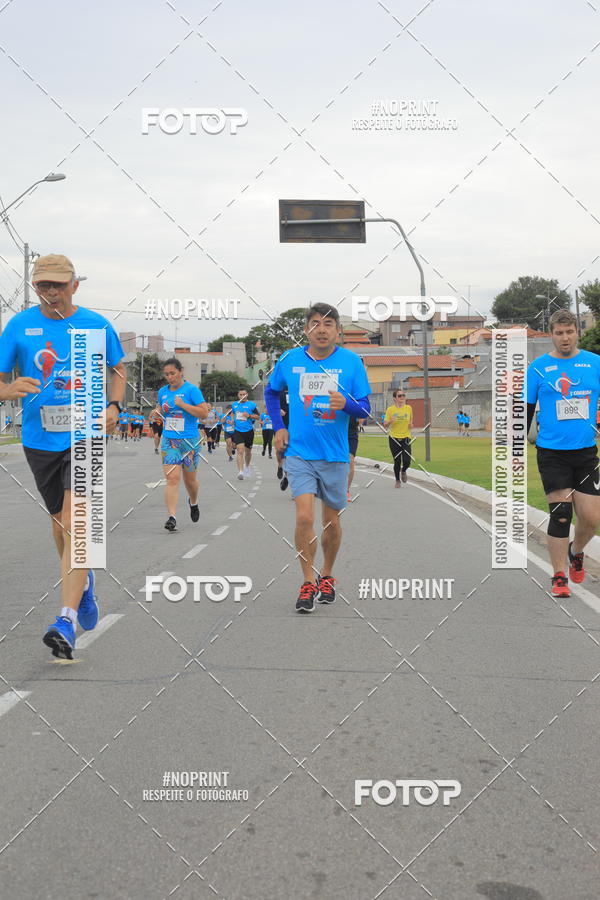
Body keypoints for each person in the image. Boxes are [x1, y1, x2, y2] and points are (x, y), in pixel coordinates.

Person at [0, 253, 125, 659]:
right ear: (35, 287)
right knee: (59, 526)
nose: (51, 291)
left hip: (86, 434)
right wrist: (6, 389)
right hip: (39, 439)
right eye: (43, 285)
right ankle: (84, 583)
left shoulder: (95, 324)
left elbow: (118, 370)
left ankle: (66, 619)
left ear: (75, 285)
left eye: (58, 284)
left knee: (75, 522)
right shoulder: (18, 327)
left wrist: (113, 407)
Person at [265, 303, 371, 613]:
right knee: (303, 517)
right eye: (315, 323)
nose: (321, 329)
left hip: (335, 455)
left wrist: (347, 404)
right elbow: (272, 393)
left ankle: (327, 575)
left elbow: (365, 409)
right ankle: (307, 582)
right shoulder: (290, 359)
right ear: (306, 329)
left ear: (338, 331)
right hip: (299, 452)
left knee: (331, 523)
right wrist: (279, 427)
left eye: (328, 324)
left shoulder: (351, 363)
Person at [526, 309, 600, 598]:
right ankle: (558, 576)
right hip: (551, 452)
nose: (565, 337)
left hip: (585, 453)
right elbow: (525, 411)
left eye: (569, 332)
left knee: (591, 518)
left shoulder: (594, 363)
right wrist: (515, 443)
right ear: (551, 335)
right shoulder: (538, 368)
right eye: (559, 332)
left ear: (576, 333)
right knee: (560, 515)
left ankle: (576, 551)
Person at [155, 358, 208, 531]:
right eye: (167, 374)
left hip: (189, 441)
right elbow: (161, 409)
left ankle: (193, 502)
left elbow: (204, 414)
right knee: (172, 478)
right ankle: (172, 517)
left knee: (190, 480)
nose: (170, 377)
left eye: (173, 373)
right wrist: (156, 414)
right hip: (170, 440)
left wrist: (183, 405)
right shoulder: (163, 391)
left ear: (180, 372)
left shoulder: (192, 390)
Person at [383, 390, 413, 487]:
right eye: (400, 396)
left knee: (407, 460)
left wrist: (411, 424)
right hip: (394, 438)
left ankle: (403, 470)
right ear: (395, 398)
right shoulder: (390, 410)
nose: (402, 397)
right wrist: (391, 420)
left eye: (403, 395)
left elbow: (411, 420)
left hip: (406, 437)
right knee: (397, 461)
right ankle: (397, 480)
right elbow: (385, 425)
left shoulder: (408, 408)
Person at [231, 388, 260, 480]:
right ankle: (240, 471)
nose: (242, 396)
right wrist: (232, 420)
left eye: (244, 394)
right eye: (240, 394)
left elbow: (258, 416)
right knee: (240, 451)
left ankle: (247, 466)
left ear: (247, 395)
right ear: (238, 395)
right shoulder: (235, 405)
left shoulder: (251, 405)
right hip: (238, 430)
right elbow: (232, 413)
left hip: (248, 431)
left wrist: (249, 415)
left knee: (248, 452)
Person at [347, 416, 359, 502]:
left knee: (351, 460)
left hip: (351, 435)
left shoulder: (355, 402)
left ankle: (346, 491)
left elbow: (362, 415)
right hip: (336, 434)